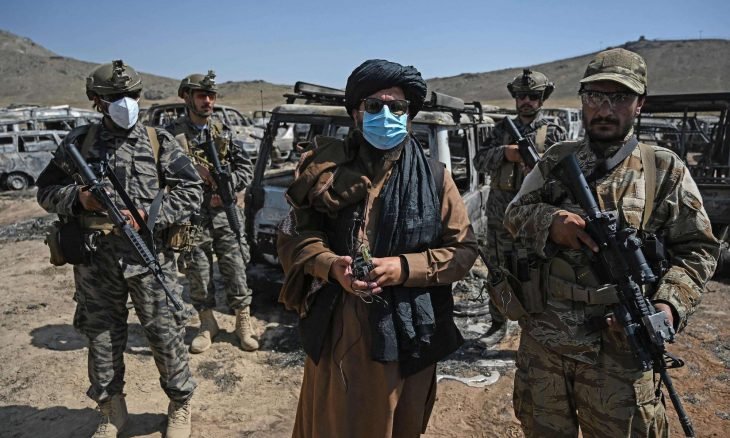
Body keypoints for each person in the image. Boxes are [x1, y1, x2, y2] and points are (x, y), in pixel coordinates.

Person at [503, 48, 719, 437]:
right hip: (546, 343)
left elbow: (698, 249)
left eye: (619, 97)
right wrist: (551, 222)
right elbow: (514, 214)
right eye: (595, 96)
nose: (605, 109)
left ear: (640, 104)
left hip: (619, 354)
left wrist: (668, 306)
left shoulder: (663, 168)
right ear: (582, 100)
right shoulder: (556, 159)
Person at [277, 59, 478, 438]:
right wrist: (330, 265)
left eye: (396, 107)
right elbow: (293, 236)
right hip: (340, 322)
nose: (386, 115)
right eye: (374, 106)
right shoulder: (324, 171)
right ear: (356, 112)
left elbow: (463, 251)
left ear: (409, 114)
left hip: (409, 328)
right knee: (333, 422)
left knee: (398, 421)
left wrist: (404, 268)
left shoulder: (435, 178)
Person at [36, 60, 202, 438]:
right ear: (96, 101)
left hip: (149, 255)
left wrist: (150, 215)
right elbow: (45, 192)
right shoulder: (79, 143)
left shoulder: (160, 140)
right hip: (96, 259)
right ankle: (112, 411)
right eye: (114, 97)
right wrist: (78, 198)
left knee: (164, 332)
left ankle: (180, 403)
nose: (125, 103)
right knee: (101, 335)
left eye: (131, 95)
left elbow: (191, 191)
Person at [165, 71, 258, 353]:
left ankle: (243, 323)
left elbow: (246, 169)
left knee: (236, 268)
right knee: (198, 272)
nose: (208, 101)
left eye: (211, 96)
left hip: (224, 214)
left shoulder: (225, 132)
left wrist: (226, 185)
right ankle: (207, 324)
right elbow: (161, 173)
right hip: (191, 216)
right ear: (187, 97)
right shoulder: (171, 136)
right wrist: (192, 177)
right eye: (201, 96)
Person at [474, 69, 566, 344]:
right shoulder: (502, 130)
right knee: (498, 270)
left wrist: (540, 171)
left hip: (534, 217)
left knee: (536, 273)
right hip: (500, 216)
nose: (526, 101)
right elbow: (479, 161)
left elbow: (565, 176)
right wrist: (506, 153)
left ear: (542, 99)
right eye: (521, 96)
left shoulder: (554, 132)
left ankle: (535, 325)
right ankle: (498, 322)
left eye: (533, 96)